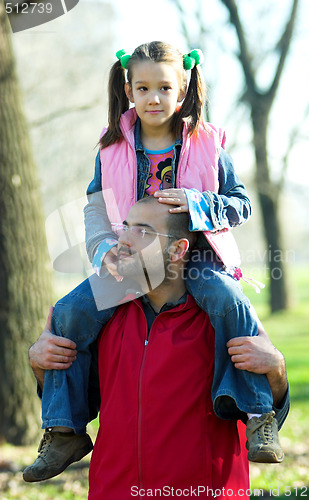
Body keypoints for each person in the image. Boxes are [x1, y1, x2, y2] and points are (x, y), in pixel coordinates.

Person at [23, 41, 281, 483]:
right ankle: (63, 428)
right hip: (130, 263)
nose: (154, 98)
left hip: (195, 259)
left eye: (165, 88)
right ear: (128, 90)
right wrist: (105, 250)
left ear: (182, 92)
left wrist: (198, 203)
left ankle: (259, 415)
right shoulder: (111, 149)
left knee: (230, 303)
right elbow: (95, 209)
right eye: (143, 88)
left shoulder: (206, 144)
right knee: (67, 312)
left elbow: (240, 204)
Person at [28, 198, 289, 499]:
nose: (124, 239)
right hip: (114, 491)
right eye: (125, 227)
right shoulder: (102, 320)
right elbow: (82, 398)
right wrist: (41, 364)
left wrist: (277, 370)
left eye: (142, 231)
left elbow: (264, 416)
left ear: (178, 249)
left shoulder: (221, 319)